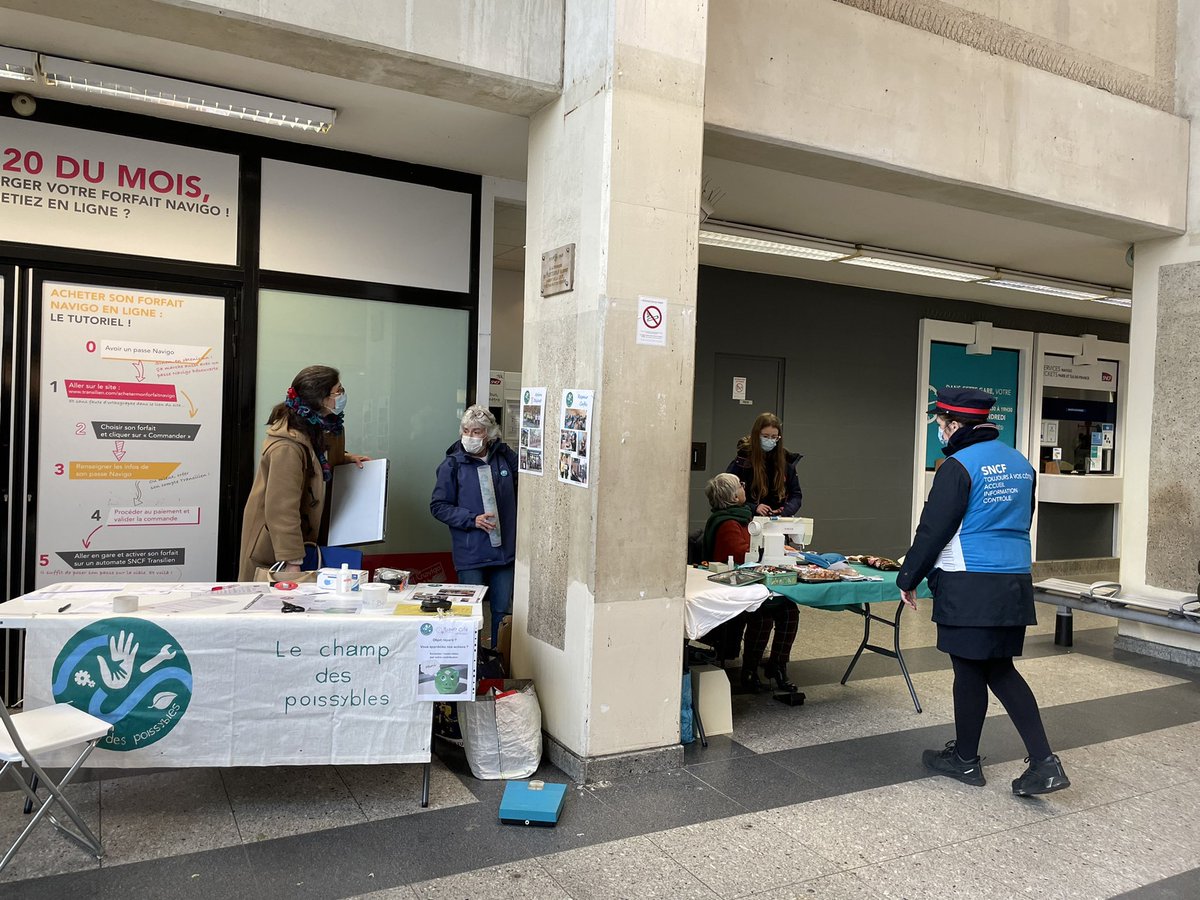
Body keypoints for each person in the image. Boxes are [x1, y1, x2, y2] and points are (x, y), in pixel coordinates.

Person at [897, 388, 1070, 797]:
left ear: (955, 424)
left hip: (969, 581)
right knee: (995, 667)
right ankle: (976, 758)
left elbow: (933, 530)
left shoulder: (957, 466)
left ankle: (1021, 762)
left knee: (974, 669)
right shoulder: (1020, 463)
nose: (939, 431)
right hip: (1012, 581)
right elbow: (1022, 519)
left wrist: (908, 577)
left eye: (940, 424)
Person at [238, 366, 369, 580]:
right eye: (339, 390)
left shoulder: (320, 426)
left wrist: (345, 458)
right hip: (277, 547)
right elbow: (282, 510)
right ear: (321, 399)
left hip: (305, 538)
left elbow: (316, 458)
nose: (343, 394)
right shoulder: (286, 447)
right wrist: (293, 561)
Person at [702, 473, 801, 694]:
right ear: (733, 495)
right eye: (740, 485)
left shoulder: (740, 518)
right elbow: (741, 554)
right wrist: (775, 549)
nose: (744, 487)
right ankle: (749, 670)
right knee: (763, 614)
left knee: (789, 611)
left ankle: (777, 664)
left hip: (748, 582)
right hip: (731, 588)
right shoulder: (728, 523)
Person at [431, 405, 518, 648]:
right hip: (471, 554)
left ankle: (498, 661)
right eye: (466, 430)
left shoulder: (505, 458)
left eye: (477, 431)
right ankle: (472, 662)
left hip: (504, 554)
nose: (470, 436)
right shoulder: (452, 464)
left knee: (502, 612)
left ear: (489, 435)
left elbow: (523, 489)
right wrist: (472, 519)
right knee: (470, 613)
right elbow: (438, 506)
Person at [726, 412, 802, 517]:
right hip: (748, 519)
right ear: (756, 435)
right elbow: (728, 494)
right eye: (765, 436)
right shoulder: (743, 461)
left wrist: (784, 511)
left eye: (774, 437)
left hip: (778, 520)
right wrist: (754, 507)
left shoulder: (786, 462)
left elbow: (796, 495)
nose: (770, 440)